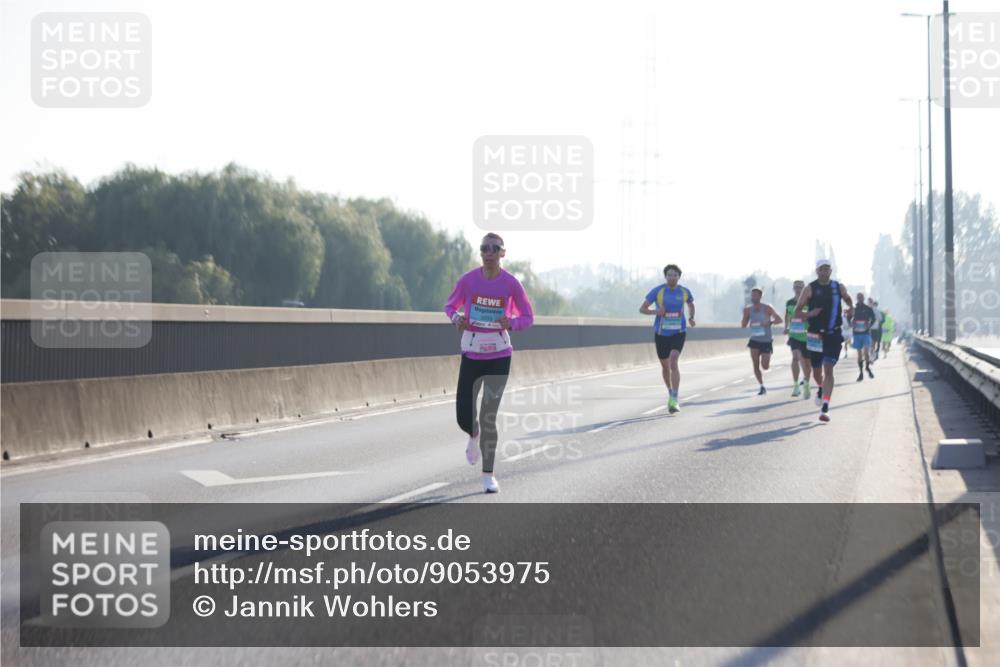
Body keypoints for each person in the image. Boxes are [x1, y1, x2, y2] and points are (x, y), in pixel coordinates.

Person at [444, 233, 534, 493]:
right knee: (464, 414)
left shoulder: (511, 284)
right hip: (472, 353)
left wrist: (512, 323)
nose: (489, 252)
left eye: (494, 248)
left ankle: (488, 475)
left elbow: (528, 316)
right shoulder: (468, 281)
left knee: (488, 414)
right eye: (484, 248)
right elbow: (450, 306)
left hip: (499, 354)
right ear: (481, 252)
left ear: (502, 253)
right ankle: (473, 436)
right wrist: (456, 319)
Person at [794, 259, 854, 423]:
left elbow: (848, 299)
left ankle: (825, 406)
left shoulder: (838, 287)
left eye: (827, 269)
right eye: (821, 269)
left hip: (833, 334)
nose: (824, 272)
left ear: (831, 271)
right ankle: (820, 389)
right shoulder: (809, 289)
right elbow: (797, 312)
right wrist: (810, 314)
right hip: (814, 334)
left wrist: (850, 308)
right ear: (817, 271)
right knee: (816, 371)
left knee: (829, 370)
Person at [639, 264, 696, 413]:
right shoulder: (658, 291)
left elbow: (691, 304)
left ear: (679, 277)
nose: (672, 277)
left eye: (674, 275)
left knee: (673, 361)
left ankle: (675, 399)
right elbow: (642, 309)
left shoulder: (684, 291)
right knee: (665, 367)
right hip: (661, 333)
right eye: (669, 275)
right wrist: (657, 312)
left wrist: (691, 317)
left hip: (679, 332)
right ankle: (670, 392)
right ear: (666, 276)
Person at [742, 287, 782, 395]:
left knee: (765, 366)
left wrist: (770, 322)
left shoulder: (767, 308)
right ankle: (761, 386)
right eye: (752, 295)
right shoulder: (748, 309)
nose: (753, 297)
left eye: (755, 295)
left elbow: (779, 319)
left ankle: (768, 357)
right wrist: (745, 317)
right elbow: (743, 325)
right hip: (754, 340)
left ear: (760, 296)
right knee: (755, 365)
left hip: (766, 341)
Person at [783, 280, 813, 399]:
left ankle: (806, 383)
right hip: (794, 335)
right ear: (793, 288)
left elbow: (812, 316)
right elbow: (787, 316)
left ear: (804, 289)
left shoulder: (809, 302)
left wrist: (806, 319)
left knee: (807, 363)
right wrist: (786, 327)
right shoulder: (789, 302)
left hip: (806, 336)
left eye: (800, 287)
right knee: (795, 358)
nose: (798, 289)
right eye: (796, 287)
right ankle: (795, 385)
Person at [850, 292, 876, 381]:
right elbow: (848, 317)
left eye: (861, 297)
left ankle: (867, 367)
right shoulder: (854, 308)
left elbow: (873, 318)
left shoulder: (868, 308)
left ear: (863, 298)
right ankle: (861, 373)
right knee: (859, 354)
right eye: (858, 297)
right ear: (856, 298)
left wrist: (869, 324)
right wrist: (851, 322)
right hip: (857, 334)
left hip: (865, 333)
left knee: (866, 352)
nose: (860, 298)